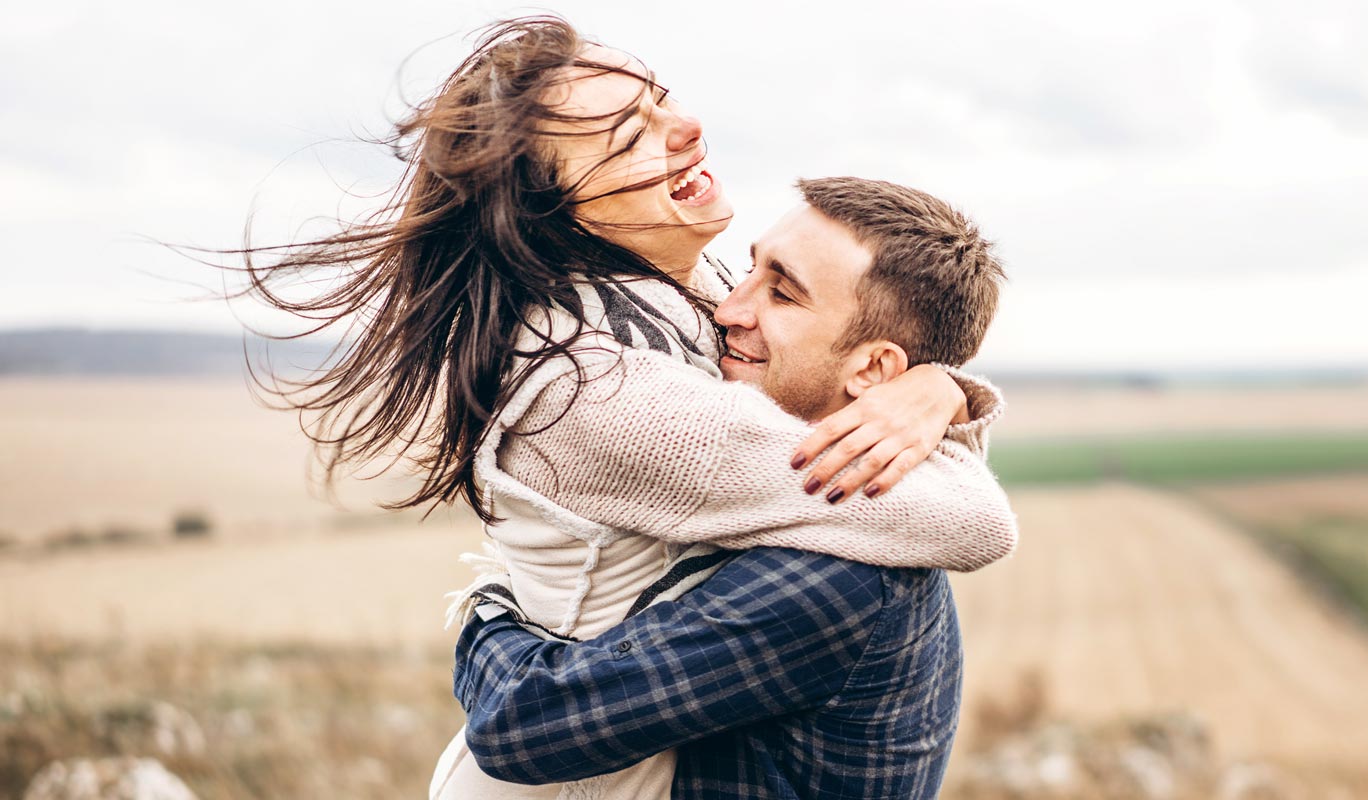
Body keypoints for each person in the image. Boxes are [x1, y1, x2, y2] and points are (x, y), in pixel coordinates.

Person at [221, 16, 1015, 799]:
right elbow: (970, 520)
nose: (687, 125)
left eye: (659, 98)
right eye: (630, 133)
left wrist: (937, 387)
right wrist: (940, 394)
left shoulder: (675, 289)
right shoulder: (597, 389)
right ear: (557, 209)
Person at [455, 176, 1004, 799]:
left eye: (783, 295)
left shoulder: (837, 572)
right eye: (750, 271)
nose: (730, 309)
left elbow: (522, 728)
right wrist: (944, 388)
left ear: (874, 369)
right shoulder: (822, 516)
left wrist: (494, 605)